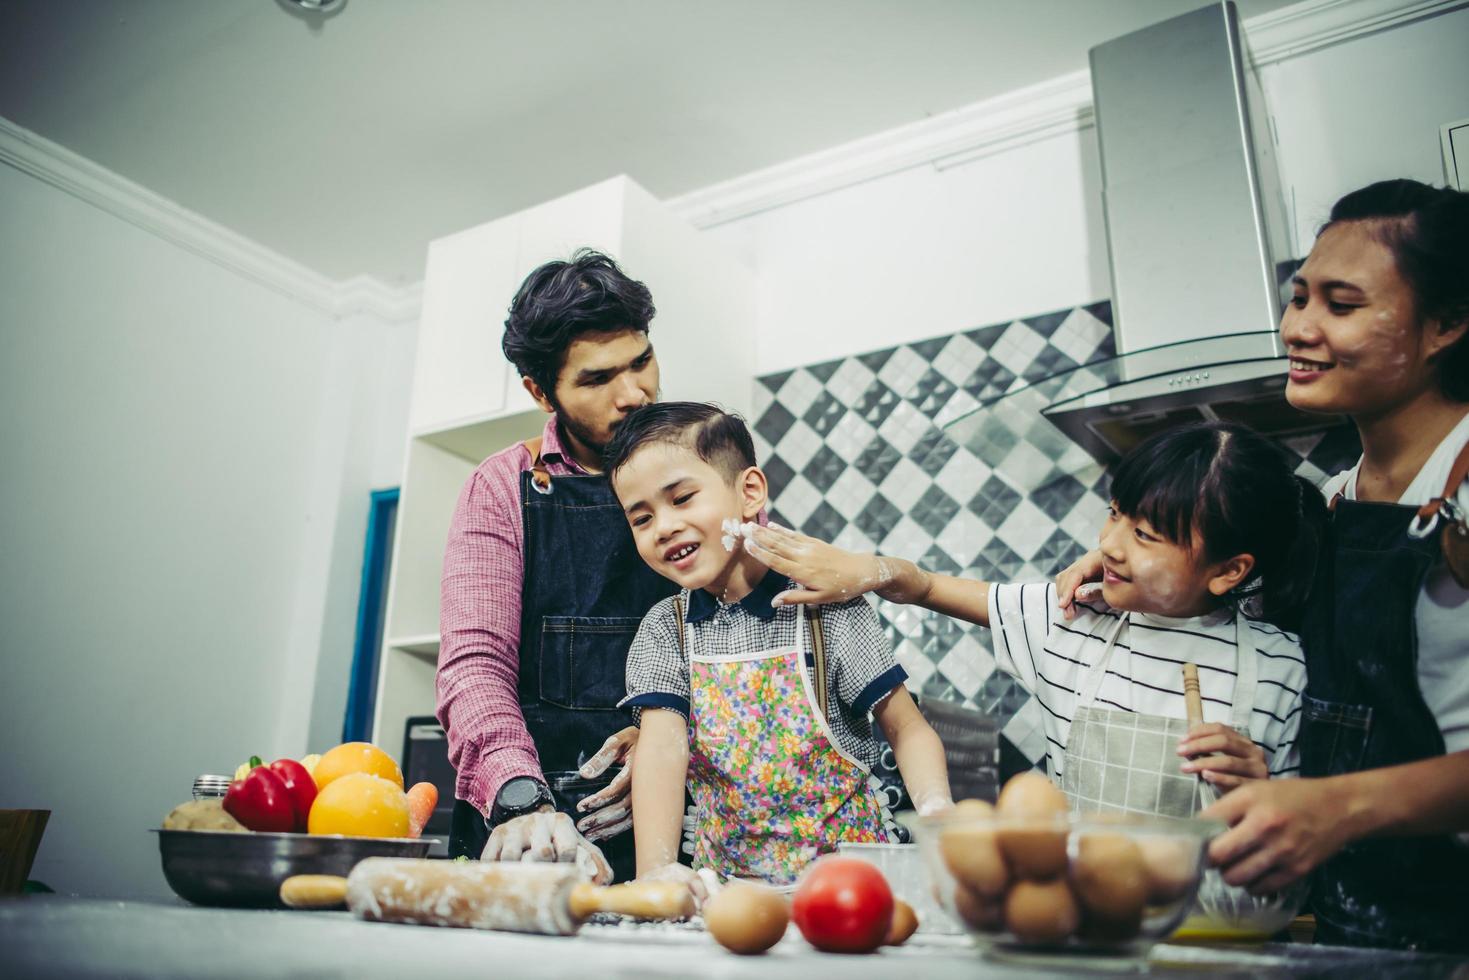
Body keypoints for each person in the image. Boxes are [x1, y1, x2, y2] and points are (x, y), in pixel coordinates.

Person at [1151, 179, 1466, 952]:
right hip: (1364, 921)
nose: (1297, 326)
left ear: (1446, 325)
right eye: (1298, 298)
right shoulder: (1332, 504)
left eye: (1341, 303)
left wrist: (1340, 807)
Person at [744, 422, 1322, 829]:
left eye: (1145, 535)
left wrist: (1262, 793)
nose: (1110, 545)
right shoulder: (1072, 620)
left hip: (1215, 943)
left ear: (1230, 571)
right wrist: (868, 570)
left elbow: (1301, 834)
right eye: (1115, 515)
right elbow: (926, 587)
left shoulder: (1277, 667)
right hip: (1081, 931)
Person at [602, 402, 951, 898]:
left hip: (851, 890)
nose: (663, 527)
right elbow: (661, 749)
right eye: (641, 518)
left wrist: (938, 818)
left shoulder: (824, 606)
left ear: (749, 493)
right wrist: (656, 875)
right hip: (728, 897)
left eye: (681, 498)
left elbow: (906, 729)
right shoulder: (665, 630)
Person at [436, 249, 676, 882]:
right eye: (597, 380)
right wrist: (522, 800)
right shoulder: (501, 487)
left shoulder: (706, 474)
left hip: (682, 833)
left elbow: (754, 650)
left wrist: (672, 740)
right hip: (534, 837)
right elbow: (474, 667)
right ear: (541, 392)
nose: (635, 395)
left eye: (642, 362)